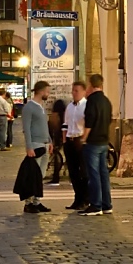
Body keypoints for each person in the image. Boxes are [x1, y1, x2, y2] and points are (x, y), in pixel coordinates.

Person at [79, 73, 113, 216]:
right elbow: (109, 120)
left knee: (93, 175)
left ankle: (96, 205)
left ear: (91, 85)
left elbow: (90, 121)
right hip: (104, 141)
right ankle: (107, 204)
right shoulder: (106, 101)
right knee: (104, 174)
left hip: (93, 142)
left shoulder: (91, 101)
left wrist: (84, 138)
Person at [21, 80, 52, 213]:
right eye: (47, 91)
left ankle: (37, 201)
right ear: (40, 91)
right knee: (32, 175)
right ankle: (29, 203)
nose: (48, 94)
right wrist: (29, 146)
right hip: (35, 144)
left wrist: (50, 141)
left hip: (44, 143)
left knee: (41, 175)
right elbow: (26, 128)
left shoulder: (41, 107)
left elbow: (45, 126)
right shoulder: (29, 107)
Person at [63, 80, 88, 210]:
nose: (74, 93)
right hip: (70, 140)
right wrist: (64, 140)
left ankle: (85, 199)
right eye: (73, 90)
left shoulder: (86, 105)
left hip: (80, 141)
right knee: (73, 173)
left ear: (83, 92)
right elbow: (65, 124)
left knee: (83, 172)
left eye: (77, 91)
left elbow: (89, 125)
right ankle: (77, 198)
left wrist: (84, 139)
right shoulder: (70, 106)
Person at [48, 97, 67, 185]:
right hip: (66, 138)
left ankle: (56, 177)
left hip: (57, 139)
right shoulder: (66, 115)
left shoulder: (53, 117)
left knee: (57, 159)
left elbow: (51, 129)